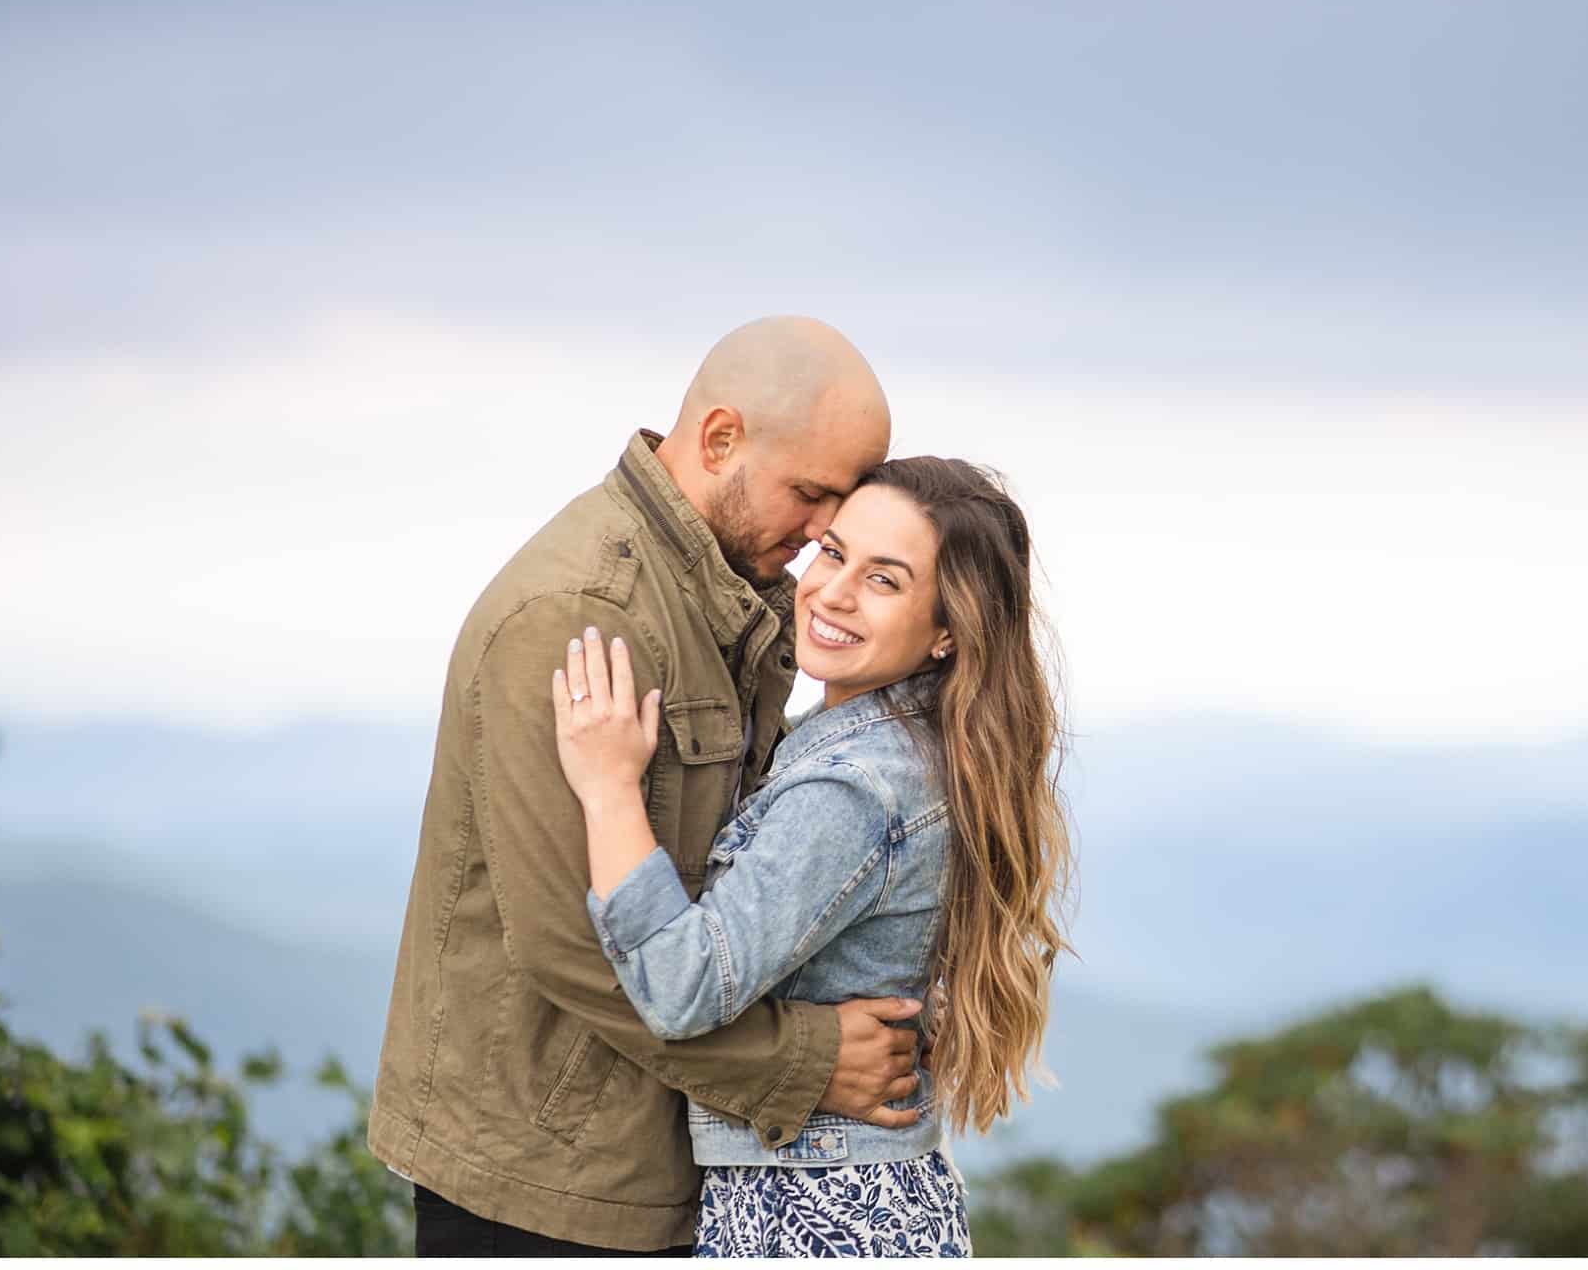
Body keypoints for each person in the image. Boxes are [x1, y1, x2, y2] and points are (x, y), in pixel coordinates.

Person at [371, 317, 935, 1256]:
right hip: (545, 1184)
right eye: (809, 496)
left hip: (646, 1161)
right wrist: (806, 1062)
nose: (818, 534)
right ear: (721, 440)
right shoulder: (584, 619)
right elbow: (568, 943)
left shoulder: (712, 591)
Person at [552, 456, 1074, 1257]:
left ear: (947, 631)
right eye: (833, 553)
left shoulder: (855, 788)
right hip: (853, 1200)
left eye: (885, 580)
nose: (832, 591)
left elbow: (683, 985)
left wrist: (609, 783)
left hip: (820, 1216)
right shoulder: (913, 750)